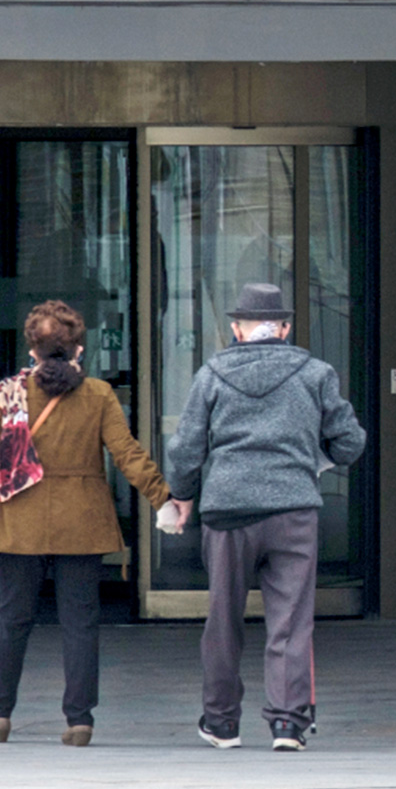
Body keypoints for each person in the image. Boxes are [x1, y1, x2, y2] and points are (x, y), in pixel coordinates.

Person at [0, 300, 171, 747]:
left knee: (12, 619)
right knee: (80, 623)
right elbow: (126, 453)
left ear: (32, 351)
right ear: (78, 350)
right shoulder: (98, 394)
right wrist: (161, 498)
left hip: (19, 522)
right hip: (81, 522)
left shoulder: (7, 393)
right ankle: (79, 721)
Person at [163, 282, 366, 753]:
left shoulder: (212, 374)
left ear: (237, 329)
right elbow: (351, 441)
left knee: (223, 619)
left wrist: (183, 495)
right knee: (291, 620)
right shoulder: (315, 373)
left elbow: (186, 448)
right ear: (285, 328)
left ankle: (221, 723)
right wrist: (314, 460)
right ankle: (288, 725)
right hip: (293, 511)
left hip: (228, 512)